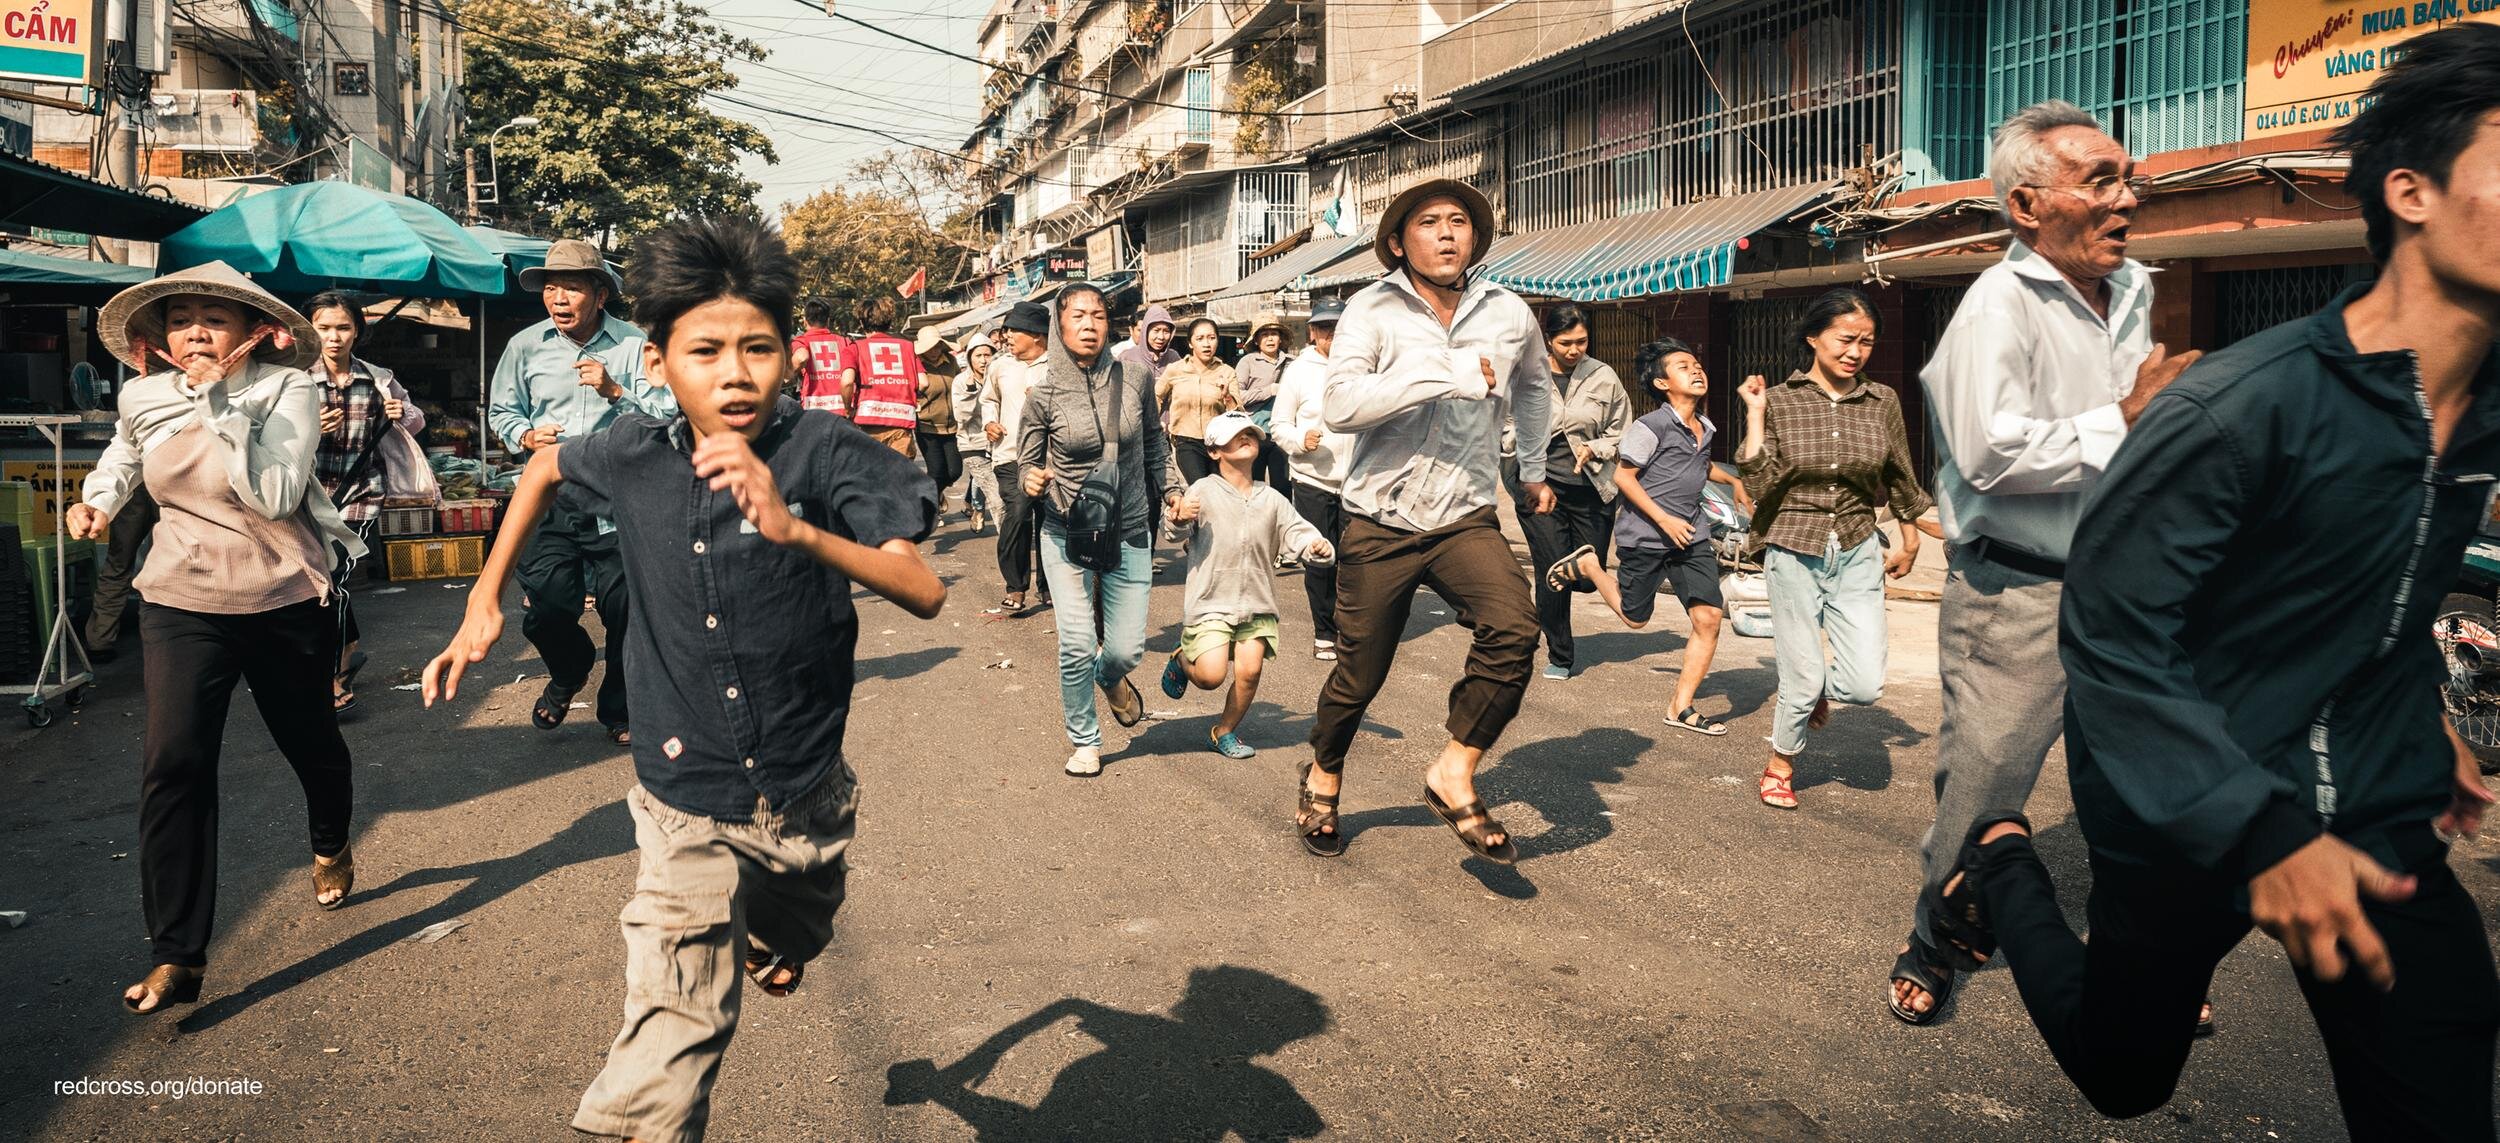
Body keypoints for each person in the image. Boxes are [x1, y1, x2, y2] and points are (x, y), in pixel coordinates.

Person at [1928, 32, 2500, 1136]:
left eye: (2126, 177)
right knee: (2126, 1073)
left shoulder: (2478, 410)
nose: (2124, 195)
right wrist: (2254, 836)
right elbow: (2110, 639)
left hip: (2374, 811)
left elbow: (2380, 583)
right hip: (2192, 800)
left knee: (2439, 1076)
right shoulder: (2241, 407)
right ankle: (1998, 862)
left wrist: (2427, 712)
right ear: (2409, 192)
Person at [421, 216, 946, 1143]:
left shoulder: (824, 451)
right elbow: (542, 465)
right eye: (706, 351)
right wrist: (483, 600)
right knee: (674, 1030)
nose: (735, 373)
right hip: (681, 799)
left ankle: (777, 933)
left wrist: (797, 530)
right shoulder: (629, 450)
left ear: (790, 357)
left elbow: (924, 589)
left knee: (797, 930)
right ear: (657, 360)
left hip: (805, 791)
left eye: (758, 349)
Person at [1887, 102, 2203, 1024]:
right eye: (2100, 180)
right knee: (1987, 778)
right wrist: (2127, 423)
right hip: (2018, 584)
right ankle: (1934, 939)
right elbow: (1986, 453)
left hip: (2130, 582)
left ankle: (2139, 958)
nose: (2128, 199)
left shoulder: (2134, 287)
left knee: (2144, 778)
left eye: (2128, 178)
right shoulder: (1997, 305)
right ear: (2028, 206)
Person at [66, 262, 365, 1014]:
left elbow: (274, 493)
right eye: (180, 317)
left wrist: (220, 402)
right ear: (158, 334)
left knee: (312, 743)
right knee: (174, 763)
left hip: (280, 595)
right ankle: (177, 954)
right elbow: (125, 456)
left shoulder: (285, 387)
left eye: (215, 316)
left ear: (252, 331)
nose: (196, 330)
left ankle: (330, 840)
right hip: (180, 597)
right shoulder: (141, 393)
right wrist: (97, 501)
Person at [1308, 177, 1554, 863]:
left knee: (1514, 627)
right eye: (1428, 223)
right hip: (1379, 519)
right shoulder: (1369, 309)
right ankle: (1324, 770)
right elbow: (1342, 405)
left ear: (1475, 237)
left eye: (1458, 222)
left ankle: (1453, 770)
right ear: (1397, 241)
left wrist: (1531, 467)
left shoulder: (1509, 313)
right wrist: (1443, 373)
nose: (1447, 233)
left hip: (1463, 516)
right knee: (1360, 674)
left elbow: (1534, 386)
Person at [1735, 289, 1936, 812]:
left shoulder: (1883, 401)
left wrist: (1912, 534)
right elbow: (1755, 482)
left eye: (1866, 342)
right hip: (1791, 545)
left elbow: (1899, 473)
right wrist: (1755, 414)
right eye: (1846, 339)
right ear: (1814, 338)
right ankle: (1781, 761)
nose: (1856, 351)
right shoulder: (1779, 399)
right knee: (1801, 680)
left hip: (1856, 542)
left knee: (1865, 684)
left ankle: (1816, 688)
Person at [486, 237, 670, 746]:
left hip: (620, 498)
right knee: (545, 608)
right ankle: (570, 670)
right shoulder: (526, 346)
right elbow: (501, 412)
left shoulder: (635, 345)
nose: (559, 298)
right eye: (551, 288)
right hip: (549, 497)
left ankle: (620, 709)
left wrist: (618, 391)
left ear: (600, 295)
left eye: (571, 287)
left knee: (627, 609)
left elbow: (670, 416)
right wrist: (524, 435)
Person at [1020, 283, 1183, 778]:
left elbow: (1155, 443)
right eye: (1078, 316)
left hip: (1131, 527)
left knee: (1126, 649)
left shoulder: (1133, 379)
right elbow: (1026, 464)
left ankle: (1111, 680)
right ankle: (1085, 740)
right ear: (1059, 326)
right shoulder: (1042, 396)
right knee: (1074, 641)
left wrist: (1173, 491)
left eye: (1097, 316)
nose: (1089, 325)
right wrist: (1032, 479)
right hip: (1066, 532)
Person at [1544, 337, 1740, 735]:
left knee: (1709, 617)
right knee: (1635, 619)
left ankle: (1681, 706)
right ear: (1663, 383)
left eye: (1697, 364)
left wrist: (1734, 483)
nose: (1696, 370)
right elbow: (1623, 476)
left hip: (1690, 536)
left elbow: (1694, 469)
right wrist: (1664, 520)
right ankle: (1589, 566)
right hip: (1646, 537)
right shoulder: (1648, 427)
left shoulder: (1705, 426)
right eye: (1684, 366)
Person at [1158, 412, 1335, 761]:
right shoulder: (1203, 491)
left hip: (1258, 602)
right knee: (1210, 676)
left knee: (1250, 671)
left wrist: (1318, 547)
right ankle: (1183, 659)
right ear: (1214, 451)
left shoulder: (1271, 498)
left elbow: (1298, 532)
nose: (1245, 439)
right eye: (1235, 436)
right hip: (1211, 601)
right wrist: (1177, 518)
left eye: (1251, 434)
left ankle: (1224, 730)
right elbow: (1174, 531)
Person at [303, 291, 425, 715]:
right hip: (306, 498)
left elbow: (415, 419)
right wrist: (309, 428)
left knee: (332, 577)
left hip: (360, 496)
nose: (333, 337)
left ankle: (331, 676)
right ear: (310, 329)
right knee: (318, 582)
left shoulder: (377, 378)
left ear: (357, 331)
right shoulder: (295, 379)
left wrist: (400, 413)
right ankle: (348, 646)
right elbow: (268, 433)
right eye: (324, 327)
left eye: (342, 328)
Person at [1510, 304, 1629, 681]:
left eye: (1582, 341)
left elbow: (1624, 429)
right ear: (1549, 339)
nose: (1574, 349)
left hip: (1592, 489)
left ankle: (1580, 579)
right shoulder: (1528, 375)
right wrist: (1521, 451)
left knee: (1586, 577)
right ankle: (1561, 654)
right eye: (1566, 342)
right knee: (1553, 568)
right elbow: (1502, 423)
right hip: (1539, 488)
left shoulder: (1603, 377)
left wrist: (1599, 447)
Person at [1275, 296, 1352, 661]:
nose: (1332, 336)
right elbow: (1279, 425)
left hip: (1357, 481)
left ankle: (1352, 630)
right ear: (1313, 332)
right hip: (1312, 479)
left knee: (1357, 559)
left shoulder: (1363, 367)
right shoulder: (1298, 371)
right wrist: (1299, 443)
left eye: (1339, 328)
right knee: (1321, 556)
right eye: (1325, 329)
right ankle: (1325, 631)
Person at [984, 302, 1050, 613]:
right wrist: (989, 423)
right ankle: (1016, 586)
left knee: (1051, 523)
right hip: (1010, 456)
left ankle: (1049, 587)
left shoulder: (1059, 366)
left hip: (1051, 459)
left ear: (1037, 335)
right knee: (1019, 514)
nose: (1008, 337)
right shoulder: (999, 366)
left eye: (1014, 331)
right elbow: (988, 399)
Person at [1156, 317, 1240, 486]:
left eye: (1211, 338)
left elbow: (1238, 415)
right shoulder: (1175, 369)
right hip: (1186, 442)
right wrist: (1154, 423)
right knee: (1201, 487)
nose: (1207, 344)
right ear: (1190, 343)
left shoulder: (1227, 372)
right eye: (1200, 339)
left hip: (1219, 444)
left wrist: (1228, 396)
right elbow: (1156, 397)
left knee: (1221, 491)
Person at [847, 295, 923, 457]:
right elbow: (923, 382)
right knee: (900, 478)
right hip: (901, 424)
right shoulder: (907, 347)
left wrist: (848, 409)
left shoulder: (856, 348)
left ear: (861, 322)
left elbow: (846, 382)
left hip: (867, 424)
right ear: (889, 322)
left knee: (870, 476)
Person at [1233, 312, 1294, 491]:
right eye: (1264, 335)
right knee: (1253, 486)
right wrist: (1269, 391)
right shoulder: (1247, 362)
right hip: (1255, 433)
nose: (1270, 339)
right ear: (1257, 340)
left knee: (1283, 487)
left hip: (1282, 434)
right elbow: (1238, 396)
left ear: (1281, 338)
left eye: (1274, 334)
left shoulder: (1292, 363)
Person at [915, 327, 965, 520]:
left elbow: (960, 384)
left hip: (952, 424)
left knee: (954, 471)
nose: (935, 350)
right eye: (930, 347)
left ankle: (935, 494)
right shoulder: (917, 365)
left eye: (937, 346)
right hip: (927, 425)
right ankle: (927, 508)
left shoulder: (950, 361)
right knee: (936, 471)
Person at [955, 339, 1002, 533]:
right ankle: (1010, 547)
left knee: (1010, 496)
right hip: (973, 446)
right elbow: (961, 416)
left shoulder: (1000, 376)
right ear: (969, 358)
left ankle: (979, 510)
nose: (983, 360)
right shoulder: (961, 381)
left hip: (1000, 445)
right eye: (978, 356)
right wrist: (971, 392)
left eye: (987, 354)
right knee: (998, 499)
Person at [791, 297, 850, 416]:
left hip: (812, 409)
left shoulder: (801, 341)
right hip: (841, 409)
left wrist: (786, 375)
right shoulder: (845, 342)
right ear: (828, 321)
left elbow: (801, 358)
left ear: (805, 321)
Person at [1114, 305, 1178, 378]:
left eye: (1166, 331)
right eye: (1156, 331)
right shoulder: (1127, 358)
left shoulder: (1173, 358)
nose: (1161, 337)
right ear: (1145, 331)